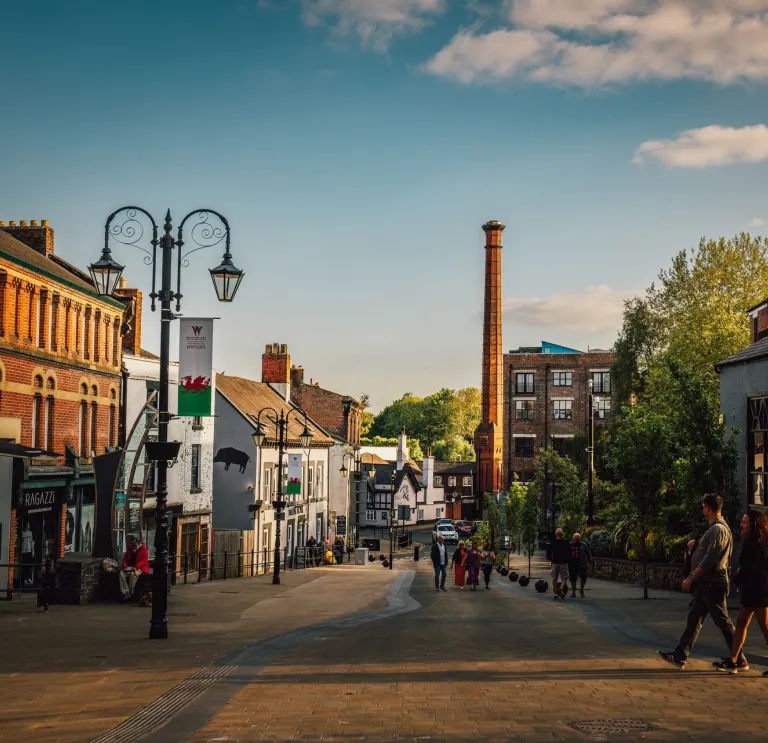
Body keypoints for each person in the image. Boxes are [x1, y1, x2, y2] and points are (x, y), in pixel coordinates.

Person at [659, 494, 747, 671]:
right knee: (694, 619)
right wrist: (695, 546)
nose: (702, 510)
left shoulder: (718, 529)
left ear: (707, 508)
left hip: (712, 582)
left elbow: (711, 558)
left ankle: (739, 658)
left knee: (723, 621)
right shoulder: (714, 529)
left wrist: (692, 576)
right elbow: (708, 551)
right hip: (706, 582)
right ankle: (679, 655)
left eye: (703, 507)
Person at [713, 510, 768, 675]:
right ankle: (734, 660)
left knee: (764, 626)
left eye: (744, 522)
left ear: (753, 524)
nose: (741, 524)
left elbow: (748, 568)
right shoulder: (761, 542)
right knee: (742, 623)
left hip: (758, 590)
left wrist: (737, 579)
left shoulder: (753, 543)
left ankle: (735, 660)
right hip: (753, 589)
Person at [549, 528, 571, 600]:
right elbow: (570, 552)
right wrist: (567, 559)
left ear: (556, 534)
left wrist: (551, 559)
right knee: (564, 577)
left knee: (554, 578)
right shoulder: (566, 543)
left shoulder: (552, 543)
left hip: (555, 562)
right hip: (563, 563)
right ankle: (561, 587)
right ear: (562, 534)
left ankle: (555, 594)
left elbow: (548, 553)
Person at [568, 533, 592, 598]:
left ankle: (581, 590)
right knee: (573, 578)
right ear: (573, 539)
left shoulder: (583, 545)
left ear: (580, 539)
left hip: (582, 564)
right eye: (575, 539)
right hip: (573, 564)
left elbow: (588, 553)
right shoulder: (570, 545)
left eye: (578, 539)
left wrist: (589, 562)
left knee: (583, 577)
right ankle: (573, 592)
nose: (576, 541)